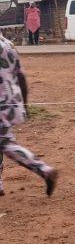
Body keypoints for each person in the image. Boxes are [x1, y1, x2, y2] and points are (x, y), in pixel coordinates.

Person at [0, 32, 57, 197]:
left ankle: (45, 170)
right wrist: (24, 104)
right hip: (11, 101)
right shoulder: (9, 44)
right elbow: (21, 76)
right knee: (3, 141)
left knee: (6, 144)